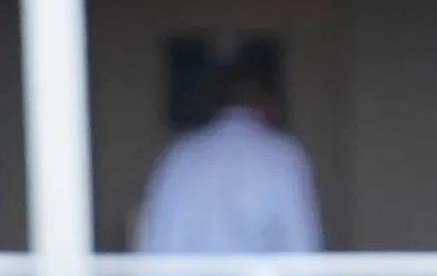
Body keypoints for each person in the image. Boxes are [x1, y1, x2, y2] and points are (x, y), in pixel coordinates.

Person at [132, 84, 326, 259]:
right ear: (267, 103)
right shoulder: (283, 155)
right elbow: (301, 245)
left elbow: (156, 240)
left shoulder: (179, 155)